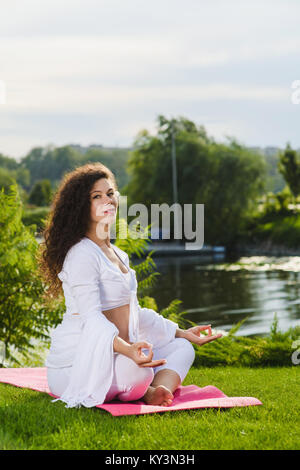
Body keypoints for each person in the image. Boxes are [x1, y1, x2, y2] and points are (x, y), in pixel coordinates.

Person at [39, 163, 222, 408]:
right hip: (78, 362)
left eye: (110, 193)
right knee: (139, 371)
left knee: (182, 348)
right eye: (97, 196)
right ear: (82, 207)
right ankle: (145, 390)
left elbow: (136, 313)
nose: (108, 200)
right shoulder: (82, 254)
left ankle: (159, 392)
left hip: (123, 354)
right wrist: (128, 350)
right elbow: (92, 320)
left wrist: (181, 332)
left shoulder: (119, 255)